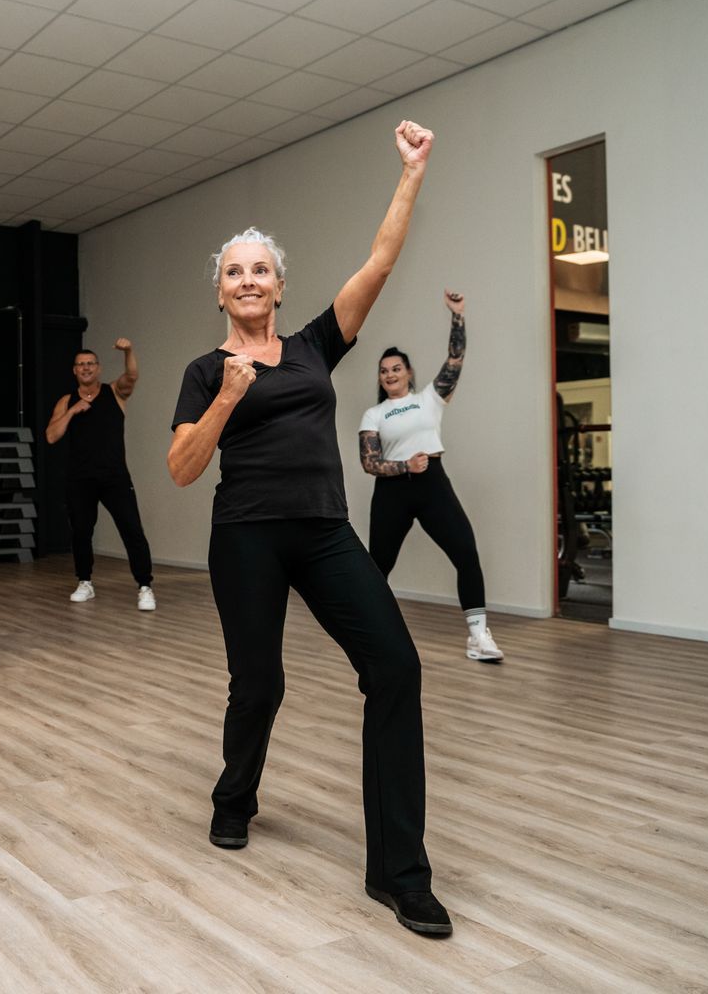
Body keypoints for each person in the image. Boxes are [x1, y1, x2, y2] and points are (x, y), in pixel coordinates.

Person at [168, 121, 452, 937]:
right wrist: (228, 395)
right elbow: (182, 468)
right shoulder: (204, 371)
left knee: (394, 667)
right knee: (260, 683)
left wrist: (411, 172)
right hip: (246, 537)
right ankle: (234, 796)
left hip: (326, 532)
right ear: (219, 292)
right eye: (234, 271)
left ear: (280, 286)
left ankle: (399, 873)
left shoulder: (313, 347)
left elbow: (379, 263)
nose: (248, 280)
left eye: (260, 269)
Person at [360, 293, 504, 662]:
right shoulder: (374, 414)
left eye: (396, 368)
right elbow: (370, 463)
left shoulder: (430, 399)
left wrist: (458, 316)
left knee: (466, 553)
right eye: (384, 370)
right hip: (392, 491)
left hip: (432, 484)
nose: (390, 374)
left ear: (408, 372)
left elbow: (455, 359)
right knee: (377, 567)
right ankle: (368, 634)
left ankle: (479, 637)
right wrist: (405, 467)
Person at [44, 339, 156, 610]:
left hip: (114, 477)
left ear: (98, 368)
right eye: (81, 364)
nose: (86, 368)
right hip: (80, 479)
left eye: (90, 364)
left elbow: (132, 376)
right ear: (75, 370)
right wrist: (73, 411)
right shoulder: (66, 401)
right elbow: (51, 436)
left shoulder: (115, 392)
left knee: (132, 529)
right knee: (81, 532)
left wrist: (129, 351)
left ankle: (145, 586)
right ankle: (85, 582)